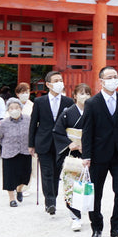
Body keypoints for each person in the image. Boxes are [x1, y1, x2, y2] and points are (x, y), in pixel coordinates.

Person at [81, 65, 118, 237]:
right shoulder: (92, 103)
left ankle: (117, 225)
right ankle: (96, 227)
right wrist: (86, 156)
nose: (113, 80)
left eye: (115, 76)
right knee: (96, 193)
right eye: (109, 77)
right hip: (98, 154)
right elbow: (87, 131)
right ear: (101, 81)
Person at [29, 71, 73, 215]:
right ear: (48, 84)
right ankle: (50, 201)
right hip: (43, 141)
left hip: (61, 143)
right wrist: (31, 144)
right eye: (56, 80)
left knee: (56, 172)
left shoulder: (68, 102)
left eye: (61, 80)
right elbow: (33, 123)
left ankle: (52, 196)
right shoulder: (39, 102)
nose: (59, 82)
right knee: (46, 172)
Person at [53, 83, 92, 231]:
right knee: (71, 185)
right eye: (82, 93)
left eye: (88, 93)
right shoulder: (67, 113)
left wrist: (88, 146)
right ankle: (75, 216)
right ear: (74, 96)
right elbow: (57, 131)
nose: (85, 96)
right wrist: (70, 144)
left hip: (89, 153)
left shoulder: (93, 112)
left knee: (88, 184)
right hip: (72, 152)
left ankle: (90, 212)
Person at [0, 99, 32, 206]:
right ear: (8, 110)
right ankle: (12, 199)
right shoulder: (4, 123)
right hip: (9, 153)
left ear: (21, 109)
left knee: (25, 177)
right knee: (9, 177)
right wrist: (5, 146)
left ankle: (19, 190)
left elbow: (33, 133)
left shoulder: (28, 120)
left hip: (25, 151)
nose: (14, 110)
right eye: (11, 108)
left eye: (17, 108)